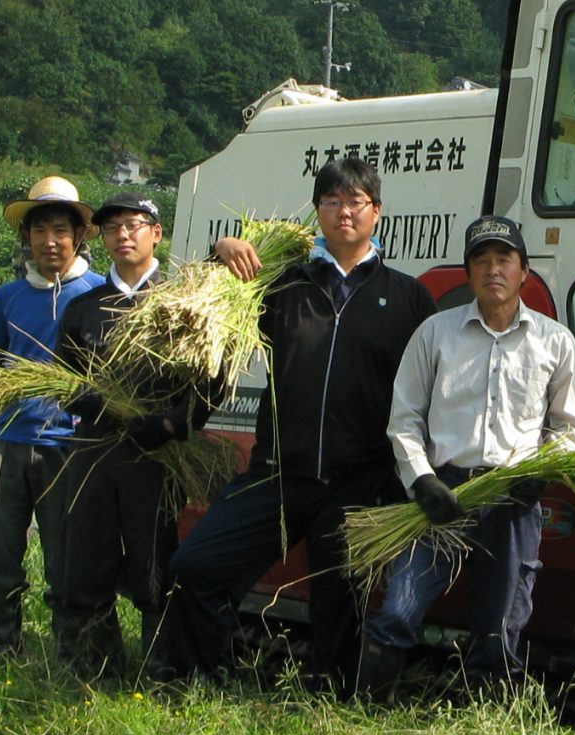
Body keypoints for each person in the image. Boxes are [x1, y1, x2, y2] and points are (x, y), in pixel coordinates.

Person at [156, 158, 436, 694]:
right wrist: (221, 252)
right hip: (277, 471)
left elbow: (423, 393)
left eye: (355, 201)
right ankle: (199, 680)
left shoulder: (407, 298)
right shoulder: (283, 283)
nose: (343, 212)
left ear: (376, 212)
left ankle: (333, 700)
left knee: (342, 605)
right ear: (318, 212)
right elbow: (211, 317)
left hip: (358, 481)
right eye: (331, 201)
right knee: (195, 565)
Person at [359, 215, 575, 694]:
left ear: (525, 270)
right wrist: (422, 481)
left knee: (500, 627)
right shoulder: (435, 334)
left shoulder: (554, 341)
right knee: (399, 608)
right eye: (481, 261)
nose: (493, 270)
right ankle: (366, 705)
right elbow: (404, 419)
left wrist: (540, 475)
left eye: (504, 259)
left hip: (512, 498)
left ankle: (488, 718)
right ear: (468, 273)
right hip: (439, 493)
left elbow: (570, 430)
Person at [54, 192, 220, 679]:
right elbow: (63, 380)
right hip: (94, 452)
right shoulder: (84, 307)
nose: (123, 235)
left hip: (159, 455)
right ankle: (93, 670)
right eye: (112, 228)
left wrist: (173, 423)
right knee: (86, 561)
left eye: (133, 225)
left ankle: (161, 672)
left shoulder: (182, 302)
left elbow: (212, 379)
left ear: (156, 233)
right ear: (101, 239)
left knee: (157, 566)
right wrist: (96, 403)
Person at [0, 176, 102, 659]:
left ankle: (71, 655)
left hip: (67, 445)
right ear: (25, 237)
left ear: (80, 236)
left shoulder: (97, 295)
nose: (51, 241)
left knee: (67, 560)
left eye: (61, 230)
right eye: (40, 230)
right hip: (6, 442)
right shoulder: (7, 298)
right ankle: (1, 648)